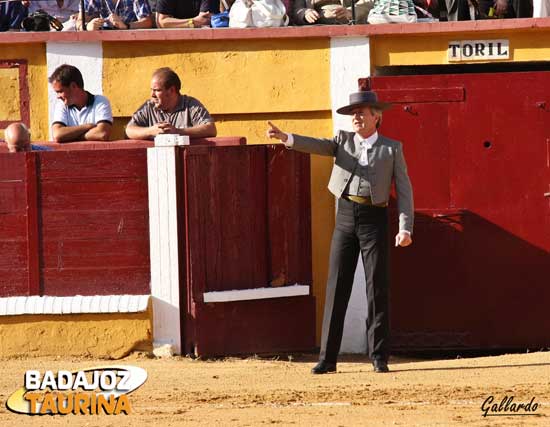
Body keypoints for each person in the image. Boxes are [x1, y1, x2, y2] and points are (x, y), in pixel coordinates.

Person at [267, 90, 414, 374]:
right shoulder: (343, 141)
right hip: (346, 216)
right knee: (337, 286)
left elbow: (405, 191)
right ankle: (328, 358)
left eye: (362, 112)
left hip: (375, 218)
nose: (356, 117)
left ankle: (379, 357)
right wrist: (287, 138)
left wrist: (404, 227)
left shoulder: (392, 148)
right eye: (353, 113)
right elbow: (318, 145)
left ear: (376, 117)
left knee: (377, 286)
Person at [126, 67, 217, 140]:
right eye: (151, 90)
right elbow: (129, 130)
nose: (152, 95)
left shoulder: (190, 105)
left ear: (171, 90)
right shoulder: (149, 106)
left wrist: (178, 132)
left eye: (157, 90)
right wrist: (151, 131)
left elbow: (210, 129)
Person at [49, 64, 113, 143]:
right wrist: (87, 126)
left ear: (73, 86)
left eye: (60, 91)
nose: (58, 96)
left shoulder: (100, 101)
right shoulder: (61, 105)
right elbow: (57, 135)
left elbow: (102, 133)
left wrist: (69, 136)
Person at [80, 0, 152, 30]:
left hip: (131, 42)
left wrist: (126, 26)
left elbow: (147, 22)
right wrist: (87, 26)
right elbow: (79, 21)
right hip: (101, 44)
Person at [293, 0, 374, 25]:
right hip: (317, 27)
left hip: (349, 25)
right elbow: (297, 9)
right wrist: (306, 13)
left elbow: (368, 2)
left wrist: (351, 12)